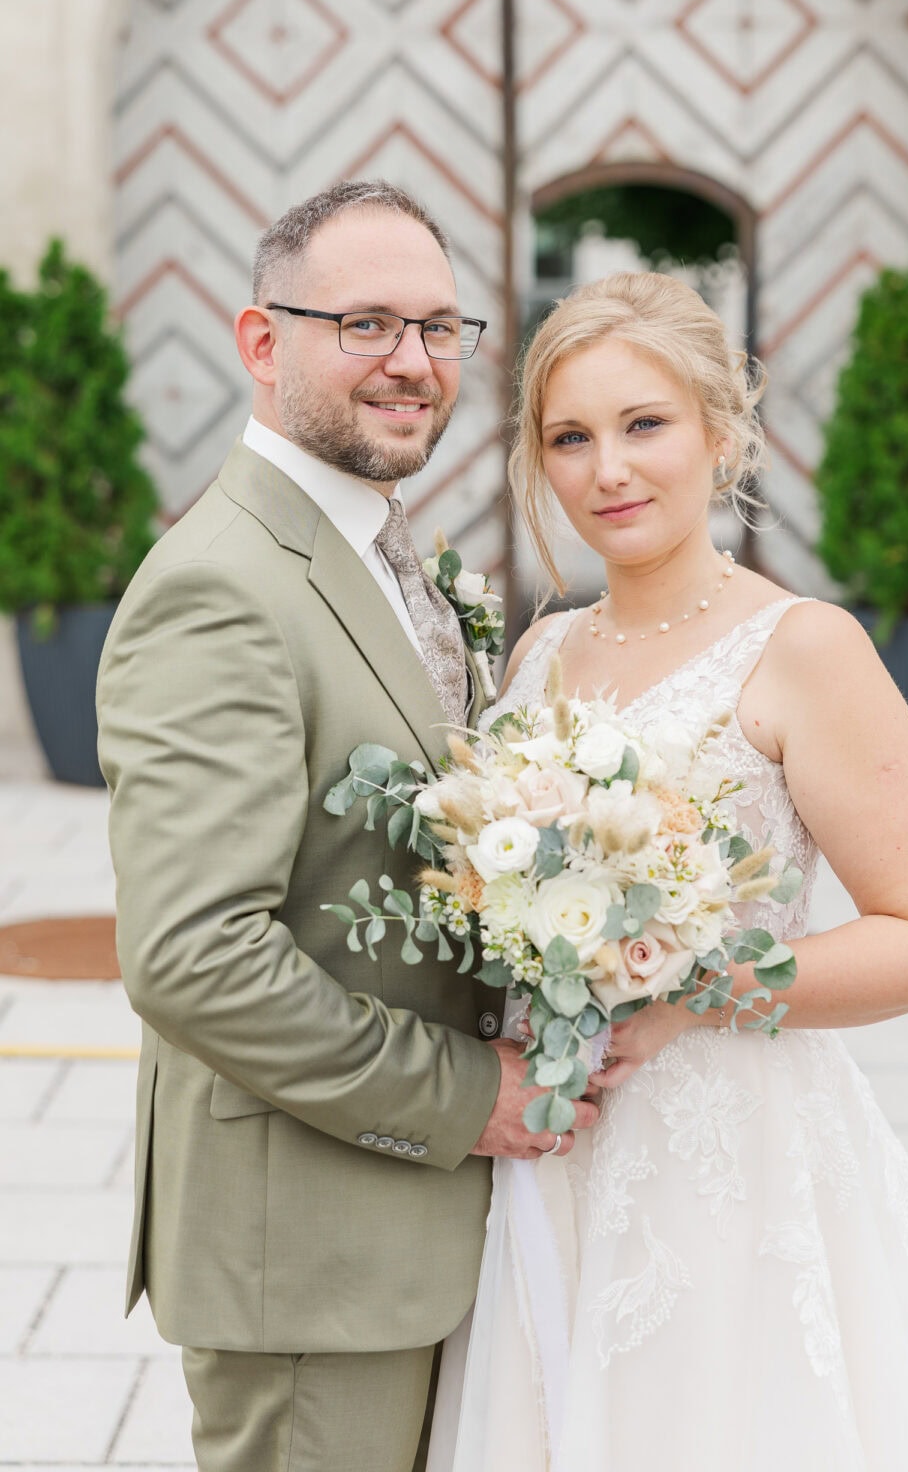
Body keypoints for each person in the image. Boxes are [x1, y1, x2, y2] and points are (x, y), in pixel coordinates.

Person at [427, 270, 908, 1471]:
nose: (608, 471)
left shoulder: (803, 649)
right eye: (570, 438)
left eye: (644, 425)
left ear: (722, 432)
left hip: (728, 1160)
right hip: (555, 1147)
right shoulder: (540, 654)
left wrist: (694, 995)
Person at [96, 179, 597, 1472]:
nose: (413, 364)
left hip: (404, 1238)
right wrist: (466, 1096)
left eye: (439, 329)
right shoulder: (221, 588)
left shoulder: (375, 546)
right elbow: (196, 957)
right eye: (366, 323)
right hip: (311, 1257)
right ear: (264, 342)